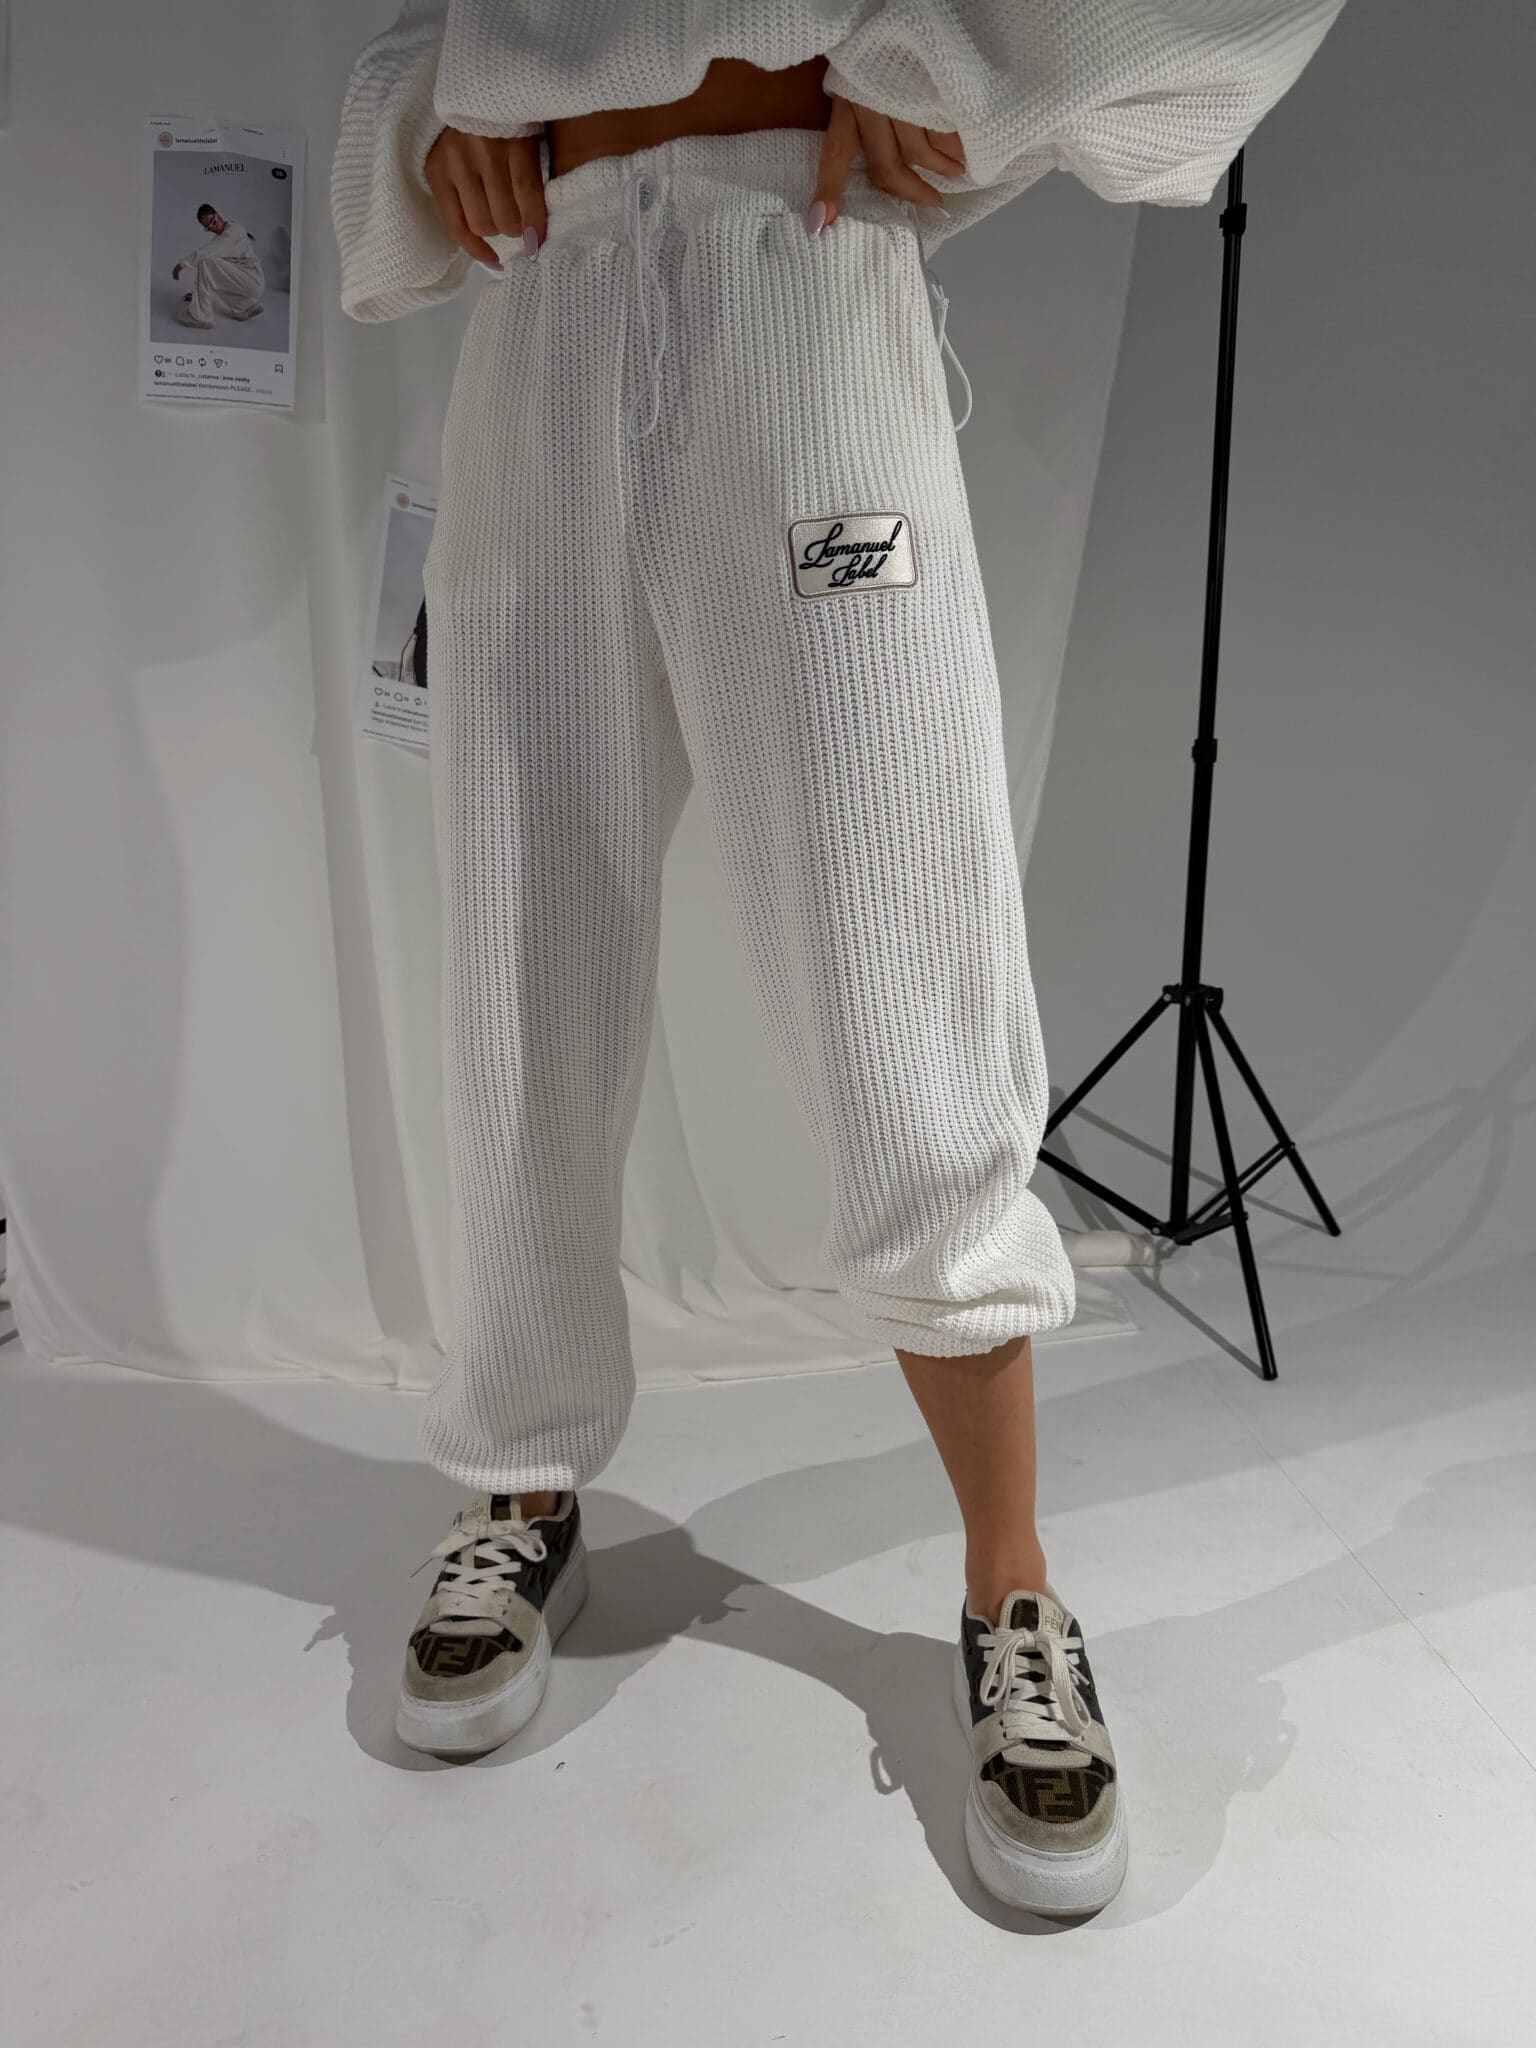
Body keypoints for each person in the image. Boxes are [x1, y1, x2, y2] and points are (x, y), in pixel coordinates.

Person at [331, 0, 1346, 1918]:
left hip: (789, 275)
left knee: (903, 967)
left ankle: (1010, 1585)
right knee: (516, 955)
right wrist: (436, 109)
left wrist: (952, 60)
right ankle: (521, 1479)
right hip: (543, 307)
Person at [173, 204, 264, 327]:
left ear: (218, 215)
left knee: (205, 261)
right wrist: (196, 293)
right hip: (247, 281)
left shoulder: (233, 231)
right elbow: (211, 275)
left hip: (252, 279)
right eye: (208, 227)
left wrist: (181, 265)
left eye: (213, 222)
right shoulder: (221, 238)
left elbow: (204, 253)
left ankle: (201, 317)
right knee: (213, 276)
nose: (212, 227)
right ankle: (245, 306)